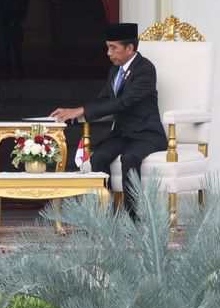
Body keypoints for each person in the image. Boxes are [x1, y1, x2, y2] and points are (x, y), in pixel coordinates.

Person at [51, 23, 166, 215]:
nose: (108, 53)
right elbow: (103, 101)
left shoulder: (145, 69)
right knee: (99, 157)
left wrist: (82, 110)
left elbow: (124, 102)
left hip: (147, 134)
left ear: (130, 48)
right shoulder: (115, 71)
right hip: (123, 134)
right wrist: (73, 114)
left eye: (113, 47)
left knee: (130, 158)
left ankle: (132, 219)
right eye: (108, 47)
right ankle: (107, 215)